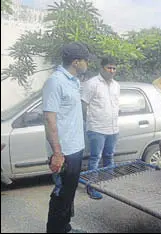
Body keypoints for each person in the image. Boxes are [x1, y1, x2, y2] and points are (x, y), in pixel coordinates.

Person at [42, 42, 90, 233]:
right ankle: (55, 230)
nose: (87, 64)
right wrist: (57, 153)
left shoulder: (73, 81)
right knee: (61, 194)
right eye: (85, 61)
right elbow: (49, 118)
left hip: (75, 148)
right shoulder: (55, 81)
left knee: (69, 193)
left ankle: (65, 228)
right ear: (76, 62)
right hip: (63, 151)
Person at [81, 57, 120, 200]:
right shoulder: (92, 84)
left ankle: (108, 186)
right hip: (97, 128)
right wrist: (90, 122)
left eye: (114, 68)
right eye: (109, 68)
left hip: (113, 128)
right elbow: (83, 105)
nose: (112, 71)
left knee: (109, 157)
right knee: (95, 158)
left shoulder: (116, 85)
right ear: (102, 68)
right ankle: (92, 187)